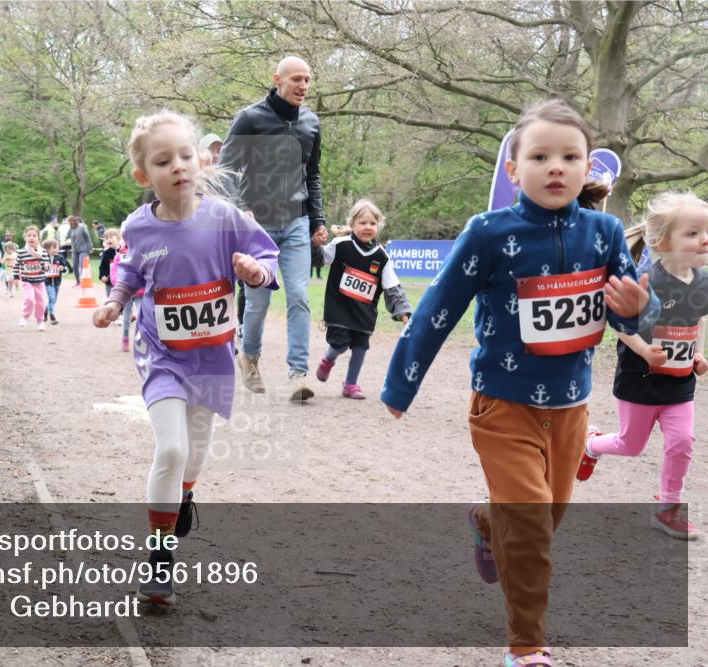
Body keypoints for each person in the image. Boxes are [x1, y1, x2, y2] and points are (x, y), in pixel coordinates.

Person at [380, 99, 660, 667]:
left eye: (569, 157)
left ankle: (488, 521)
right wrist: (401, 384)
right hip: (502, 407)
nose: (555, 167)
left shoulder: (606, 232)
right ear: (513, 169)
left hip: (572, 409)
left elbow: (630, 316)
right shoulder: (488, 232)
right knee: (531, 524)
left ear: (587, 168)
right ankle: (526, 645)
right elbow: (438, 308)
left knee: (544, 520)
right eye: (539, 156)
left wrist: (640, 308)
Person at [93, 111, 279, 605]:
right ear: (144, 176)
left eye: (184, 155)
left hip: (213, 357)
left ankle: (184, 496)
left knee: (194, 457)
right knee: (172, 450)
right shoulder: (139, 226)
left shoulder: (225, 218)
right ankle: (159, 558)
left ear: (199, 160)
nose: (177, 166)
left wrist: (256, 272)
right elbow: (129, 271)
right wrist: (114, 302)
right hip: (161, 356)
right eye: (162, 161)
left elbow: (267, 256)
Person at [577, 192, 708, 538]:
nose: (704, 239)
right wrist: (646, 351)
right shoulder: (646, 280)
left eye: (707, 231)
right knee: (630, 445)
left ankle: (668, 510)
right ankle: (590, 444)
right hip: (640, 380)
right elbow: (621, 326)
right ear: (664, 243)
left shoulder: (703, 281)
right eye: (693, 233)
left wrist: (697, 354)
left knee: (682, 441)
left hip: (679, 383)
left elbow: (697, 319)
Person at [219, 56, 329, 402]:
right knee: (258, 302)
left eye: (308, 79)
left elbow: (313, 175)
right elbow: (225, 170)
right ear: (277, 79)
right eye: (297, 79)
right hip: (258, 226)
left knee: (299, 295)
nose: (303, 86)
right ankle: (249, 357)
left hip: (296, 221)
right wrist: (241, 209)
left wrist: (318, 220)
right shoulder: (250, 119)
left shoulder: (311, 123)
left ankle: (298, 374)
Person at [315, 199, 411, 399]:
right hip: (339, 309)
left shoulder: (382, 257)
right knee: (340, 344)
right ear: (351, 225)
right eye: (362, 222)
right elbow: (320, 258)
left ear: (378, 226)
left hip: (364, 312)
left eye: (372, 223)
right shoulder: (341, 245)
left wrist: (403, 311)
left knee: (360, 348)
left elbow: (392, 287)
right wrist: (315, 245)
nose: (368, 227)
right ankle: (328, 359)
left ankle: (350, 384)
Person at [111, 238, 143, 352]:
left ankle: (141, 340)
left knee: (142, 316)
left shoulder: (144, 249)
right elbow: (114, 270)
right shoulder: (120, 253)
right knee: (126, 318)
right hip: (126, 292)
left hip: (141, 291)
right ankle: (125, 338)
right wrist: (118, 282)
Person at [16, 226, 50, 331]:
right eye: (29, 235)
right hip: (27, 280)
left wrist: (46, 266)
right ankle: (25, 317)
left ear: (38, 238)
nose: (31, 237)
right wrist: (16, 276)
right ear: (25, 238)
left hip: (39, 281)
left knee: (41, 302)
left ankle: (40, 321)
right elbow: (16, 265)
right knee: (29, 299)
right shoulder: (21, 252)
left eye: (34, 236)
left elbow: (47, 264)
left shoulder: (43, 252)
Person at [41, 238, 67, 324]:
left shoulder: (60, 257)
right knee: (51, 298)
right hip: (47, 281)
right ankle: (52, 315)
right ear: (47, 249)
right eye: (54, 247)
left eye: (57, 247)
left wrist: (62, 268)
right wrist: (44, 268)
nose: (57, 249)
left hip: (57, 281)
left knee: (54, 299)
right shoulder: (44, 258)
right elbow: (40, 268)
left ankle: (45, 310)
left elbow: (65, 268)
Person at [70, 216, 93, 286]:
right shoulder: (71, 228)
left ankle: (83, 281)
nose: (69, 223)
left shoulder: (82, 227)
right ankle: (77, 281)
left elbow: (88, 237)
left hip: (83, 249)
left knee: (82, 265)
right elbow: (68, 236)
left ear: (73, 221)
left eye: (70, 222)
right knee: (74, 266)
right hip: (74, 250)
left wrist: (90, 247)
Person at [98, 228, 121, 298]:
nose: (108, 240)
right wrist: (102, 275)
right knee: (110, 299)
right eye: (106, 238)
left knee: (123, 300)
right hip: (110, 282)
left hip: (122, 282)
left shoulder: (123, 251)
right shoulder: (107, 253)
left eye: (111, 237)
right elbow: (103, 267)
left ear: (118, 238)